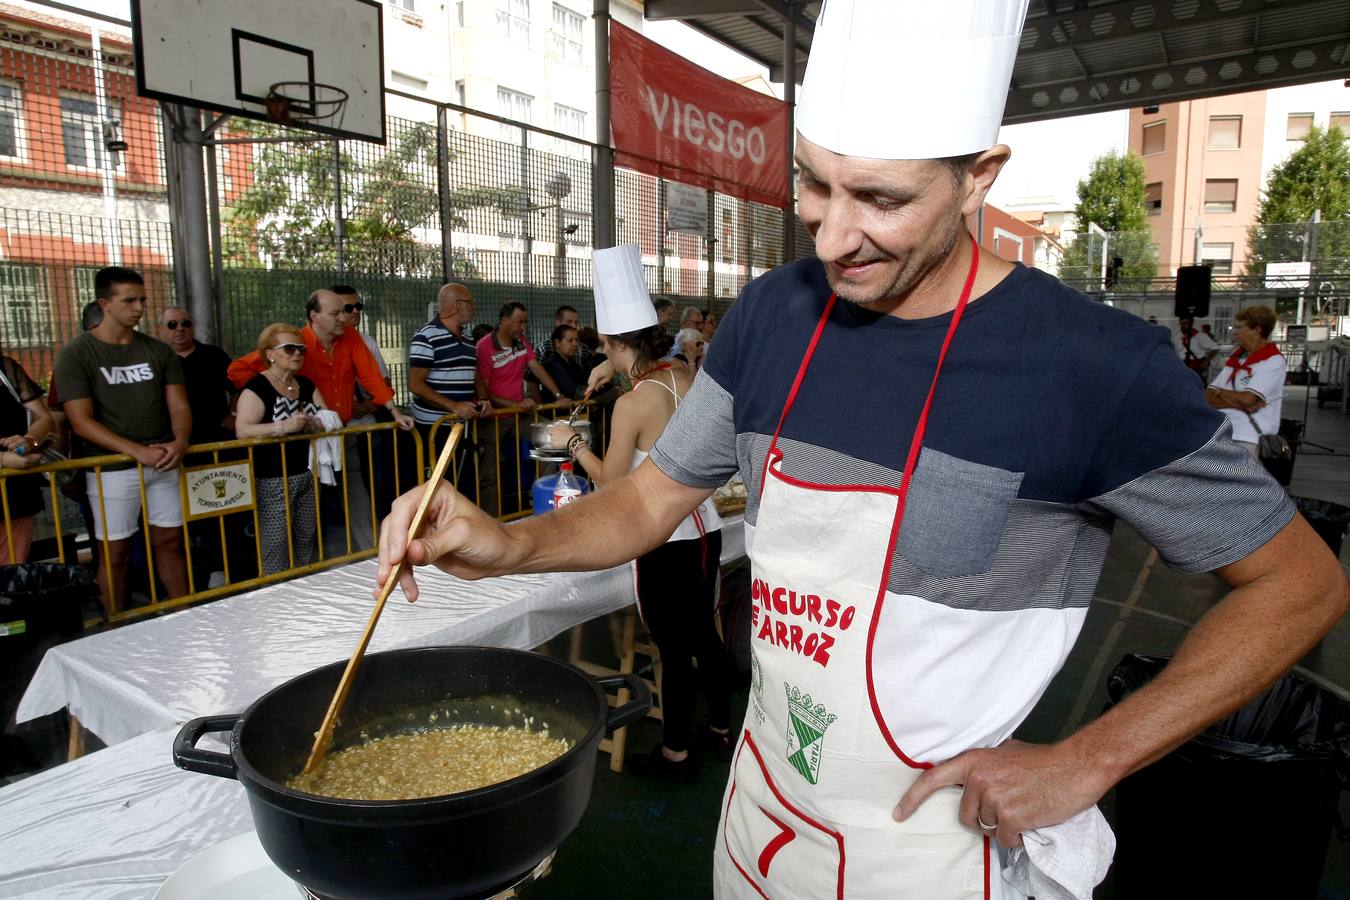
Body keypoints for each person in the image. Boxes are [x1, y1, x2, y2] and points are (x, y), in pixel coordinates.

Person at [377, 1, 1346, 895]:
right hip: (760, 829)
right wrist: (507, 546)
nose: (834, 238)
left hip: (928, 860)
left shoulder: (1093, 370)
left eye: (879, 199)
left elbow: (1300, 584)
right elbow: (649, 500)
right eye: (812, 182)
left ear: (981, 178)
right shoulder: (770, 319)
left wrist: (1089, 757)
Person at [551, 245, 732, 780]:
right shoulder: (681, 373)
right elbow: (646, 369)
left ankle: (675, 753)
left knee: (673, 648)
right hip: (705, 530)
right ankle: (721, 727)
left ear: (611, 341)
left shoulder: (633, 405)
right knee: (705, 636)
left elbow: (612, 483)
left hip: (663, 538)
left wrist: (571, 443)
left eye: (604, 346)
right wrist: (613, 365)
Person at [228, 289, 414, 554]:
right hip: (295, 448)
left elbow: (371, 375)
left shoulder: (350, 337)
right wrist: (269, 397)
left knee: (352, 493)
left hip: (338, 433)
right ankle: (303, 569)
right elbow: (238, 371)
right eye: (336, 312)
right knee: (298, 513)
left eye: (347, 310)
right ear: (314, 316)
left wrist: (394, 412)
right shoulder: (293, 341)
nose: (345, 317)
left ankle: (373, 554)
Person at [56, 266, 191, 611]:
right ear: (105, 303)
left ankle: (186, 615)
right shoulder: (76, 353)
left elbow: (179, 407)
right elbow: (80, 421)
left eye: (142, 300)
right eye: (129, 300)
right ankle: (113, 623)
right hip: (110, 468)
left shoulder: (158, 351)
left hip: (163, 458)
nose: (139, 307)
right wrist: (136, 451)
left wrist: (178, 442)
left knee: (172, 541)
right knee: (113, 551)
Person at [234, 324, 328, 574]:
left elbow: (328, 418)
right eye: (289, 348)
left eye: (301, 349)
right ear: (270, 353)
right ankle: (275, 592)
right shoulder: (258, 387)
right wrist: (282, 426)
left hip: (306, 472)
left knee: (306, 534)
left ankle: (303, 583)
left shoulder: (306, 385)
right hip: (272, 476)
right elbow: (242, 429)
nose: (297, 354)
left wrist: (313, 423)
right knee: (275, 541)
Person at [476, 302, 565, 516]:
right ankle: (491, 520)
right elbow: (484, 391)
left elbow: (536, 367)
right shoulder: (484, 347)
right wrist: (514, 405)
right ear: (504, 320)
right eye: (519, 322)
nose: (523, 327)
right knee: (490, 474)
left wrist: (559, 395)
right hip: (494, 417)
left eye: (525, 322)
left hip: (519, 415)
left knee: (552, 438)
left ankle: (540, 496)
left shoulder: (521, 342)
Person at [408, 283, 489, 485]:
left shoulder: (468, 337)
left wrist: (484, 398)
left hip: (461, 426)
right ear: (457, 305)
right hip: (434, 428)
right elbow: (415, 384)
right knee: (438, 486)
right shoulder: (426, 336)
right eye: (471, 303)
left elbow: (474, 370)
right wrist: (454, 406)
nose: (474, 307)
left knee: (462, 483)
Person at [1205, 305, 1286, 458]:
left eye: (1240, 327)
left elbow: (1248, 398)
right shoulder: (1237, 360)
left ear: (1257, 330)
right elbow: (1208, 396)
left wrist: (1220, 393)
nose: (1235, 332)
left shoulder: (1273, 361)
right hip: (1223, 432)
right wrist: (1240, 401)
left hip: (1249, 437)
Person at [0, 355, 55, 564]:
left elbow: (44, 418)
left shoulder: (6, 368)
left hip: (15, 493)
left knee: (12, 571)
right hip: (11, 469)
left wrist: (29, 440)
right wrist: (3, 459)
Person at [157, 307, 233, 448]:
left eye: (186, 323)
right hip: (173, 442)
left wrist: (233, 415)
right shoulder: (155, 361)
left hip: (217, 437)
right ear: (160, 329)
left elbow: (239, 387)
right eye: (172, 324)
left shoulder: (215, 355)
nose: (180, 328)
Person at [536, 324, 588, 403]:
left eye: (576, 340)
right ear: (557, 342)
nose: (575, 344)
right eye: (570, 340)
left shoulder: (573, 363)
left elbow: (584, 381)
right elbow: (572, 389)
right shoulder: (552, 363)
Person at [1175, 316, 1218, 383]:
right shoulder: (1177, 337)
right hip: (1182, 367)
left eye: (1185, 323)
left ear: (1191, 324)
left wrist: (1206, 361)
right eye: (1181, 324)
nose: (1183, 326)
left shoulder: (1200, 336)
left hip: (1196, 367)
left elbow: (1215, 348)